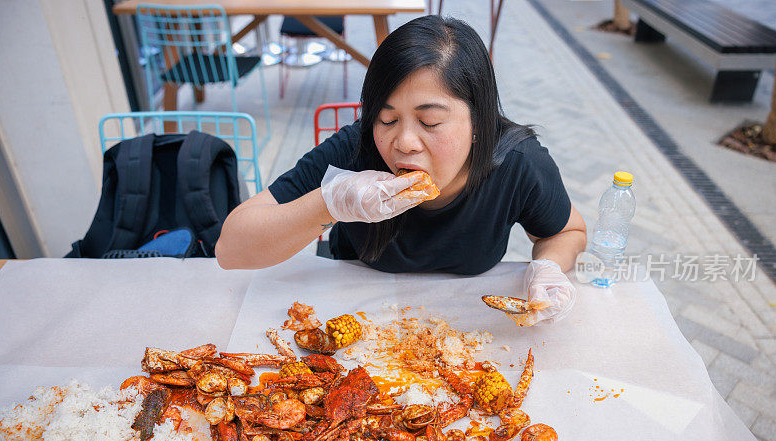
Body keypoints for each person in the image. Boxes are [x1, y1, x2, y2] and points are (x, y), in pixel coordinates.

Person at [216, 15, 587, 326]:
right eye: (387, 118)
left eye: (430, 121)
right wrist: (329, 203)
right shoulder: (354, 148)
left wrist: (550, 268)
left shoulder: (517, 163)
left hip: (475, 329)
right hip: (351, 319)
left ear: (479, 121)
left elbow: (566, 230)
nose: (405, 141)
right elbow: (230, 249)